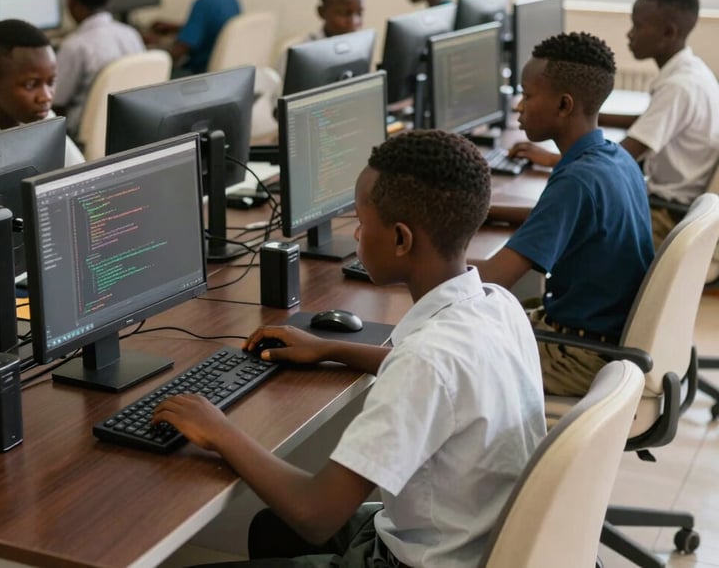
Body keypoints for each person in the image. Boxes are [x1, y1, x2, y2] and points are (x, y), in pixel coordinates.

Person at [153, 130, 546, 567]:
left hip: (422, 559)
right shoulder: (498, 304)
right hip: (477, 538)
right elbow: (448, 382)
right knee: (268, 529)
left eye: (362, 221)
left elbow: (317, 515)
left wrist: (220, 431)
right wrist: (328, 349)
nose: (356, 234)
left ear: (401, 239)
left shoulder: (426, 362)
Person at [478, 32, 654, 397]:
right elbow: (558, 220)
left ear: (564, 105)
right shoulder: (615, 158)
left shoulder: (576, 181)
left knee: (444, 356)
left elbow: (490, 281)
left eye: (527, 95)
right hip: (599, 336)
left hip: (577, 356)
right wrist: (481, 210)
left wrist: (416, 272)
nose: (519, 107)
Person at [509, 0, 719, 250]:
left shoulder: (678, 87)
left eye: (639, 26)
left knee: (558, 224)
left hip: (664, 214)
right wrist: (586, 109)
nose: (630, 34)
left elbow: (622, 156)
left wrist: (551, 158)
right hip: (675, 204)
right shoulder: (692, 71)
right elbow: (643, 121)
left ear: (668, 32)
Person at [0, 19, 84, 166]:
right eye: (30, 85)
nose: (46, 97)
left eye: (50, 82)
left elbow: (81, 176)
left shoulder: (44, 120)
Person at [53, 0, 145, 140]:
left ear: (70, 0)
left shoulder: (75, 46)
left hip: (84, 141)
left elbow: (54, 103)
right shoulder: (131, 35)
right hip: (132, 134)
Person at [276, 0, 365, 79]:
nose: (354, 22)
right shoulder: (295, 56)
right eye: (345, 14)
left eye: (359, 13)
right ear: (322, 12)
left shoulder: (359, 52)